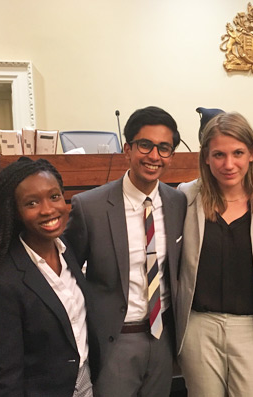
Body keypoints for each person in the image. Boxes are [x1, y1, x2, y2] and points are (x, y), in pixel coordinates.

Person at [64, 106, 186, 397]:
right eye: (145, 145)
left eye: (164, 148)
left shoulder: (178, 202)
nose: (154, 156)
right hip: (114, 339)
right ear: (127, 149)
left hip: (162, 336)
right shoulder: (90, 207)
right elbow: (66, 272)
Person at [0, 157, 93, 397]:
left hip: (84, 381)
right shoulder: (2, 281)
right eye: (32, 203)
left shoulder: (65, 247)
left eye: (54, 196)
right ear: (15, 212)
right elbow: (7, 374)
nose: (48, 209)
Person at [176, 112, 253, 396]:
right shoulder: (186, 197)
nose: (228, 164)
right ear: (206, 158)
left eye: (238, 153)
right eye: (219, 154)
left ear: (251, 154)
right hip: (200, 327)